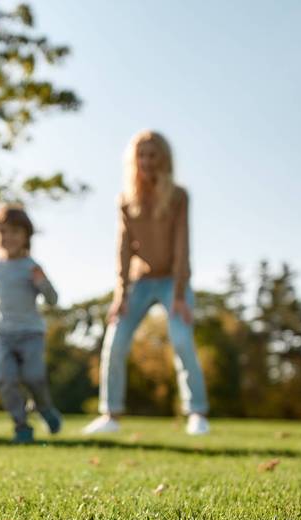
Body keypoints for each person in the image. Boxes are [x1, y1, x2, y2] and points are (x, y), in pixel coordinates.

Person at [83, 130, 210, 436]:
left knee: (181, 340)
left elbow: (182, 247)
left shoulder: (178, 196)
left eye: (153, 155)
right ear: (133, 160)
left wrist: (179, 294)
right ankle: (110, 414)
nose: (147, 161)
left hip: (172, 282)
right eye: (141, 155)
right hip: (139, 283)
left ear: (163, 159)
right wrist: (120, 295)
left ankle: (197, 413)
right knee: (114, 341)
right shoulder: (126, 201)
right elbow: (123, 250)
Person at [0, 205, 61, 444]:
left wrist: (42, 283)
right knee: (5, 380)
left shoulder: (32, 267)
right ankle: (21, 426)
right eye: (3, 232)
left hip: (31, 333)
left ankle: (44, 408)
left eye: (15, 232)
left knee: (34, 377)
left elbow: (53, 300)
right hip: (4, 335)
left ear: (26, 236)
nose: (9, 238)